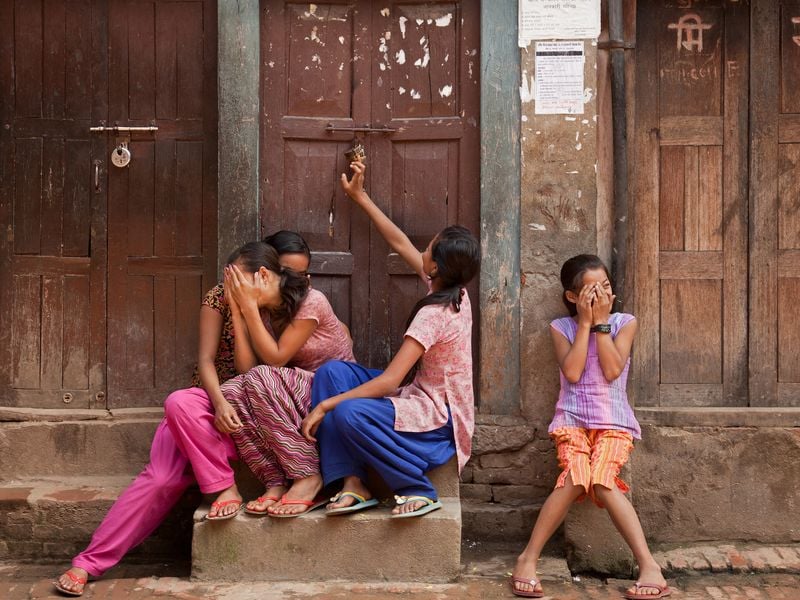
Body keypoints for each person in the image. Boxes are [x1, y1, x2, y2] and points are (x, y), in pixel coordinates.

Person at [54, 233, 314, 597]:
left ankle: (220, 482)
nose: (232, 285)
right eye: (230, 277)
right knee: (164, 464)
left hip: (254, 405)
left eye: (295, 273)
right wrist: (219, 402)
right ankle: (90, 561)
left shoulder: (285, 307)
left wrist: (243, 312)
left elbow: (252, 371)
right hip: (210, 401)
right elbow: (206, 361)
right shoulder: (218, 296)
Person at [300, 160, 480, 518]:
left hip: (437, 423)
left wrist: (324, 406)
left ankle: (416, 487)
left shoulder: (436, 314)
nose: (422, 250)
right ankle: (353, 482)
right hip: (416, 397)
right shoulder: (454, 289)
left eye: (428, 248)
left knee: (348, 411)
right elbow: (398, 241)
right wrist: (360, 196)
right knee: (332, 374)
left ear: (437, 268)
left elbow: (390, 381)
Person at [510, 255, 669, 599]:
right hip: (571, 421)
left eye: (606, 287)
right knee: (575, 476)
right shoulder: (561, 328)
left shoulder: (625, 322)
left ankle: (650, 568)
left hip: (614, 422)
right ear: (572, 297)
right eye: (592, 290)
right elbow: (572, 373)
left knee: (601, 480)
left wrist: (600, 325)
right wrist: (584, 324)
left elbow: (612, 370)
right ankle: (527, 560)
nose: (602, 295)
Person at [219, 246, 355, 517]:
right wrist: (238, 312)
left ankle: (307, 474)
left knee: (261, 375)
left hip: (330, 392)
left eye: (238, 283)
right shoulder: (264, 311)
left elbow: (276, 360)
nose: (234, 290)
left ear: (263, 275)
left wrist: (248, 308)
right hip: (291, 394)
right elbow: (244, 370)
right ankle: (275, 480)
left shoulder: (311, 300)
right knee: (231, 391)